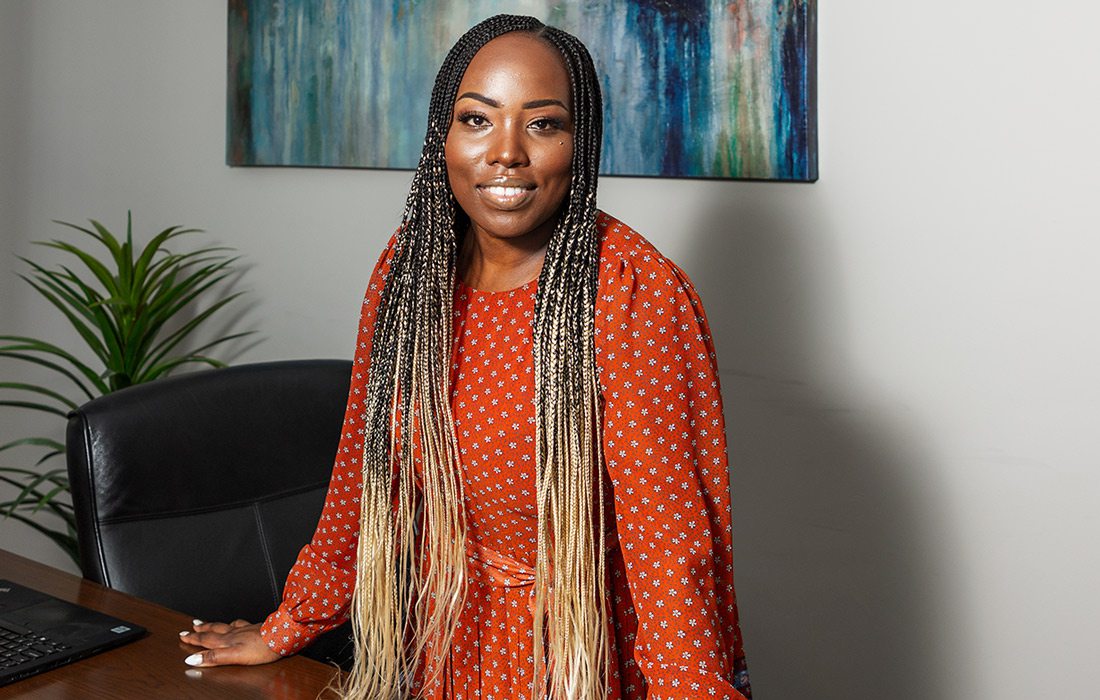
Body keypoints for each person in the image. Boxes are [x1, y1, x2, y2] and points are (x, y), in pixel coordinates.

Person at [179, 14, 751, 700]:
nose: (506, 152)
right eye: (477, 119)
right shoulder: (409, 274)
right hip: (440, 643)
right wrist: (291, 622)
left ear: (582, 143)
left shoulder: (630, 293)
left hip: (571, 660)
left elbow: (670, 551)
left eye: (543, 124)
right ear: (442, 138)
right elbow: (364, 475)